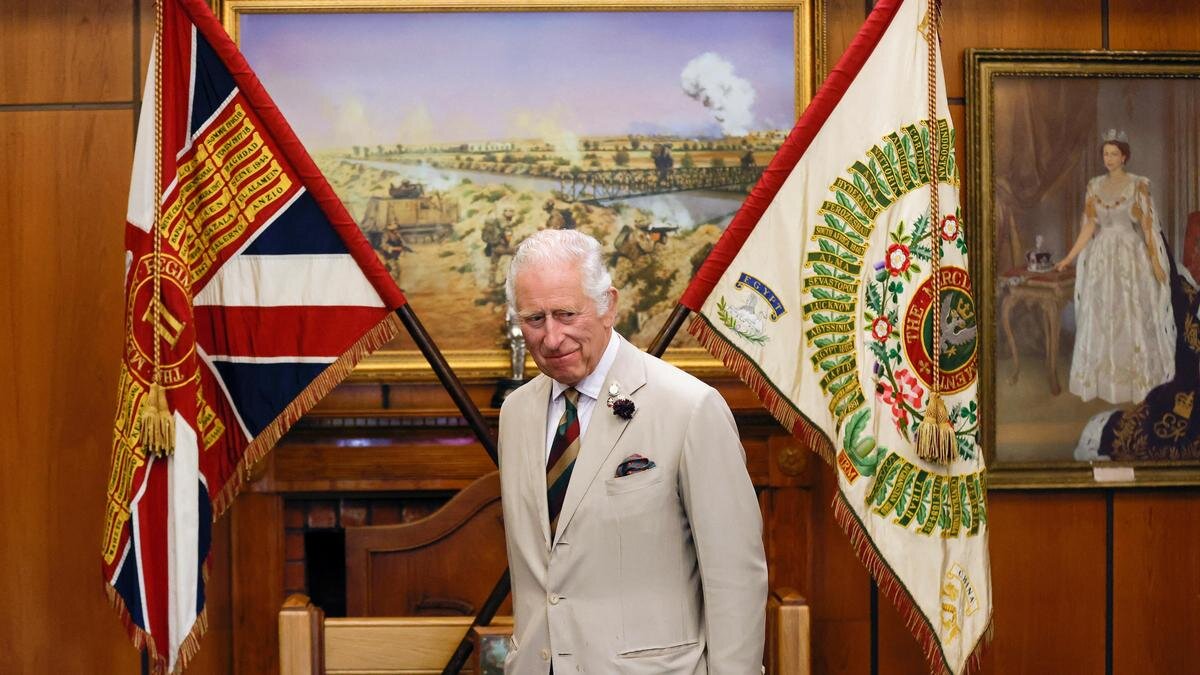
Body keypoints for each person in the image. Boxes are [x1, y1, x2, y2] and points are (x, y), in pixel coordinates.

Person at [498, 229, 767, 674]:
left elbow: (736, 578)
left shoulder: (689, 407)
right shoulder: (516, 413)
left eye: (567, 314)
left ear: (609, 305)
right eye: (534, 319)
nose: (551, 337)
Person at [1054, 133, 1175, 404]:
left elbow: (1146, 227)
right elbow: (1089, 227)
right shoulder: (1094, 186)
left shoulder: (1138, 185)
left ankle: (1137, 381)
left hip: (1130, 258)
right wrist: (1068, 258)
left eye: (1113, 154)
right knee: (1102, 314)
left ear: (1124, 157)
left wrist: (1157, 261)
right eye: (1105, 154)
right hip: (1101, 258)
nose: (1108, 159)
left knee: (1131, 315)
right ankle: (1103, 383)